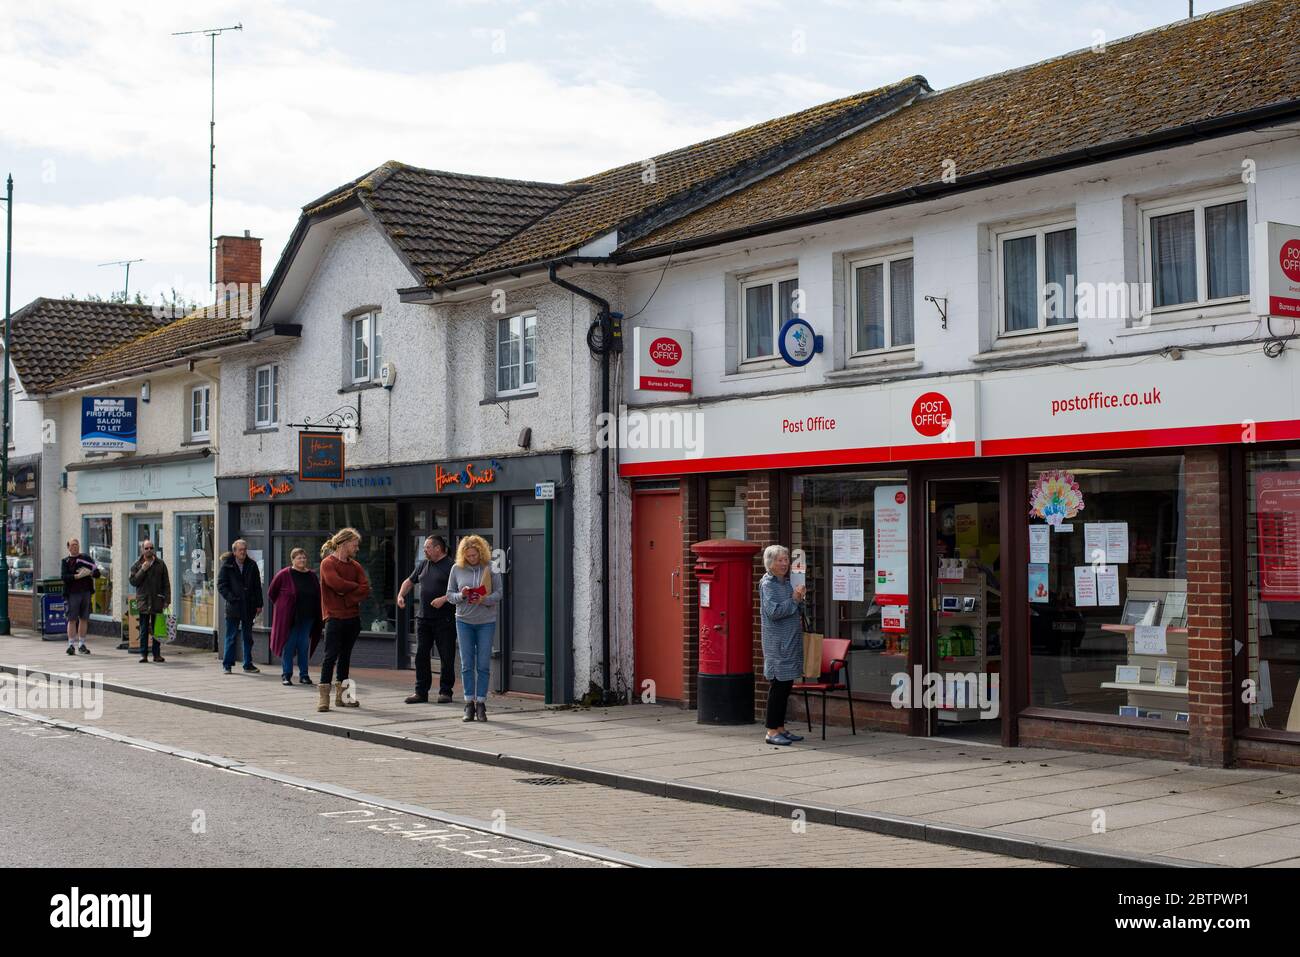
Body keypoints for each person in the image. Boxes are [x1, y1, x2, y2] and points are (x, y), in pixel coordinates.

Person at [446, 534, 501, 722]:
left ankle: (481, 704)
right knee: (466, 664)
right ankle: (469, 703)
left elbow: (499, 593)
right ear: (463, 554)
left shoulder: (491, 567)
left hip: (486, 621)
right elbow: (449, 595)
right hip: (463, 621)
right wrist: (462, 595)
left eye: (474, 555)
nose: (471, 559)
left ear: (481, 553)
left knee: (483, 664)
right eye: (468, 556)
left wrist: (485, 599)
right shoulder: (456, 569)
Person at [317, 527, 370, 712]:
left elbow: (365, 589)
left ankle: (344, 697)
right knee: (330, 656)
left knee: (345, 657)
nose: (357, 548)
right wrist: (353, 589)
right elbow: (335, 583)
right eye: (354, 545)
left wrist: (346, 596)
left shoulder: (355, 566)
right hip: (334, 617)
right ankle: (324, 699)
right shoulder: (327, 563)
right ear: (345, 544)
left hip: (352, 618)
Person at [399, 535, 457, 704]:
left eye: (427, 548)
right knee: (421, 655)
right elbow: (409, 581)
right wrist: (401, 595)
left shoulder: (452, 566)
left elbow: (460, 591)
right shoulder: (424, 564)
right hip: (423, 619)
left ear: (438, 548)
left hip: (444, 619)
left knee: (446, 656)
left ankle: (446, 692)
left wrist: (443, 599)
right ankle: (420, 692)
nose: (424, 551)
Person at [759, 544, 806, 746]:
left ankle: (780, 728)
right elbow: (773, 612)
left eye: (786, 560)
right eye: (780, 560)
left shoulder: (785, 583)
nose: (784, 564)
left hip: (790, 642)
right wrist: (794, 600)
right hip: (777, 645)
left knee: (786, 686)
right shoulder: (767, 584)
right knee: (777, 688)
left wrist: (800, 597)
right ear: (770, 563)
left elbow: (795, 607)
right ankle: (771, 731)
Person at [268, 548, 322, 687]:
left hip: (308, 616)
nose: (302, 560)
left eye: (304, 558)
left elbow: (318, 593)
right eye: (299, 558)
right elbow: (272, 593)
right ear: (292, 560)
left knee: (304, 645)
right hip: (290, 617)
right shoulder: (284, 574)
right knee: (289, 645)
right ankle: (286, 675)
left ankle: (304, 675)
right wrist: (283, 607)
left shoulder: (311, 575)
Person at [217, 539, 264, 675]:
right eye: (240, 550)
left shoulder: (252, 565)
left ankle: (248, 664)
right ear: (234, 551)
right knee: (231, 636)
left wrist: (259, 604)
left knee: (247, 637)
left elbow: (257, 586)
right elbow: (221, 585)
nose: (243, 552)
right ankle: (227, 665)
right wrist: (231, 598)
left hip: (249, 606)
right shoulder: (227, 565)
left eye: (245, 549)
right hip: (233, 607)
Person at [128, 539, 170, 663]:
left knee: (158, 629)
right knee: (144, 629)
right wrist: (143, 570)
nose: (149, 550)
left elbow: (166, 583)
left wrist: (167, 600)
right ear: (142, 550)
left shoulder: (160, 564)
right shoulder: (137, 564)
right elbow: (133, 582)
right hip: (144, 601)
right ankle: (143, 654)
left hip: (157, 600)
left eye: (151, 548)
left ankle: (157, 655)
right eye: (146, 548)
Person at [60, 537, 100, 656]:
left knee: (84, 618)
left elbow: (97, 573)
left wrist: (90, 573)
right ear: (68, 547)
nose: (75, 547)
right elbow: (64, 577)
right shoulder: (66, 561)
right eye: (72, 545)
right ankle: (71, 645)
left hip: (86, 592)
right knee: (72, 619)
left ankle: (82, 644)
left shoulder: (86, 558)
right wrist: (76, 577)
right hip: (72, 593)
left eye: (76, 544)